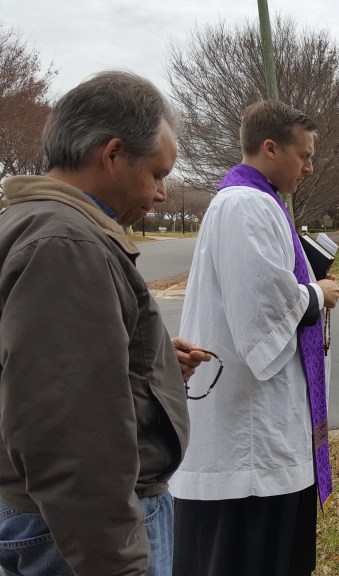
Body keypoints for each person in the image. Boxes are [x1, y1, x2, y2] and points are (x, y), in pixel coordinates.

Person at [0, 71, 209, 575]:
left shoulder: (30, 222)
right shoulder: (66, 246)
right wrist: (118, 564)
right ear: (112, 154)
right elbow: (70, 432)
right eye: (157, 173)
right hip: (79, 534)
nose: (162, 194)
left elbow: (34, 377)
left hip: (53, 523)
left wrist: (151, 369)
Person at [170, 100, 339, 576]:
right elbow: (262, 310)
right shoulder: (247, 205)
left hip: (260, 435)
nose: (308, 167)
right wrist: (318, 292)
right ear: (270, 148)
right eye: (303, 155)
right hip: (248, 445)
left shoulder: (253, 200)